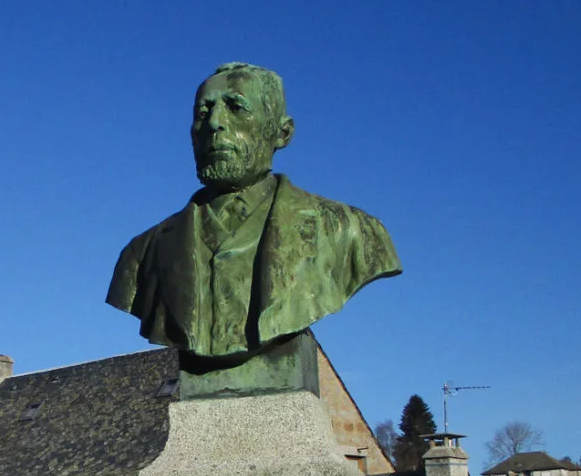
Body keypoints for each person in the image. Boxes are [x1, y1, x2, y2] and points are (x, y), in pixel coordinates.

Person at [107, 62, 401, 359]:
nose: (214, 123)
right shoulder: (141, 255)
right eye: (203, 113)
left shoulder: (350, 231)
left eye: (236, 107)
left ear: (282, 133)